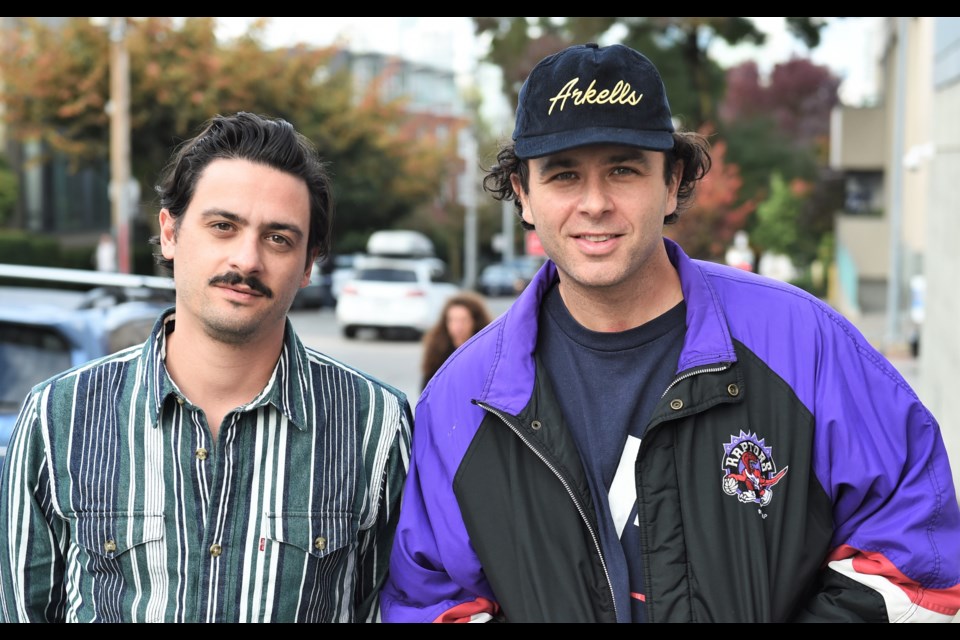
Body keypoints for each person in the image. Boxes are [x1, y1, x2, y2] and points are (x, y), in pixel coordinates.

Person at [380, 43, 960, 623]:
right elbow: (434, 602)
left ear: (673, 181)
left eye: (623, 170)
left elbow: (920, 567)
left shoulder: (806, 344)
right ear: (524, 195)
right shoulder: (463, 399)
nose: (595, 204)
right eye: (563, 176)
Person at [0, 112, 412, 622]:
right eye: (223, 226)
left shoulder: (375, 424)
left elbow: (391, 610)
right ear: (170, 233)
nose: (247, 259)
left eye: (279, 238)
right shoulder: (57, 416)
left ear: (308, 265)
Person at [420, 292, 493, 391]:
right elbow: (426, 389)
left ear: (475, 322)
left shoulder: (487, 351)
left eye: (463, 320)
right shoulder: (437, 351)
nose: (458, 327)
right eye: (453, 320)